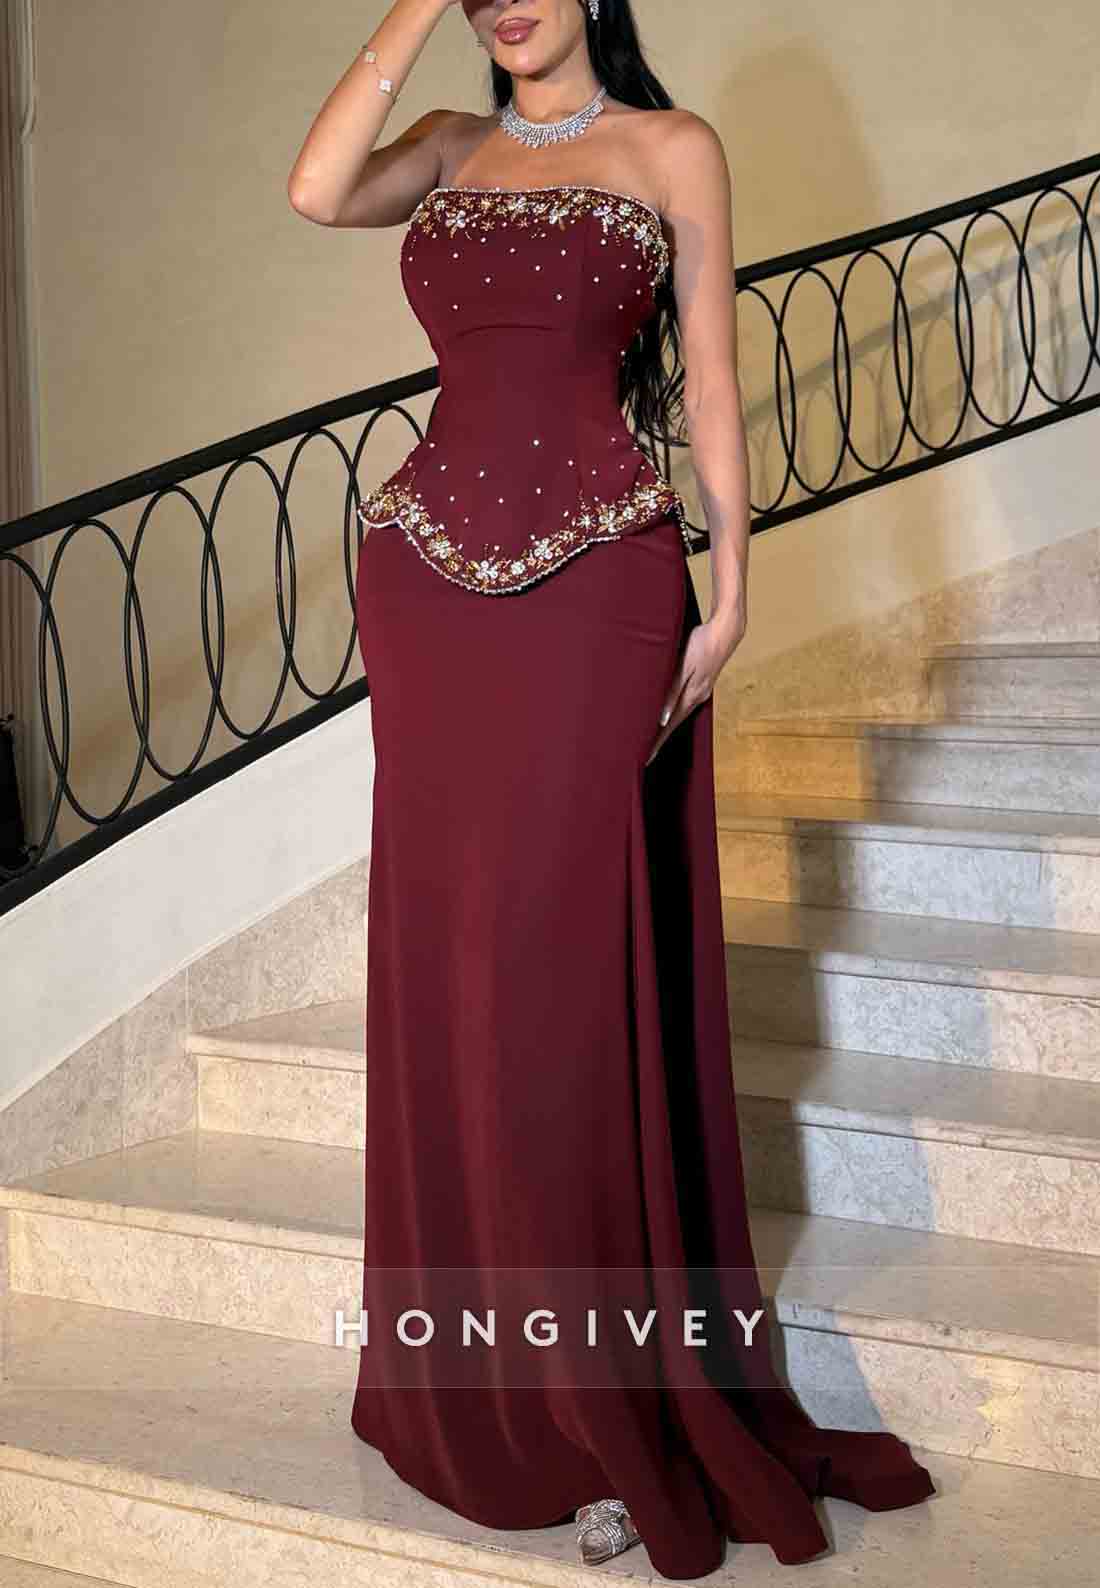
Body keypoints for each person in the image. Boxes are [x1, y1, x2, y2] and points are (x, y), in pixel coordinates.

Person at [288, 1, 936, 1577]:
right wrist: (415, 7)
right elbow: (314, 189)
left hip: (598, 586)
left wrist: (735, 587)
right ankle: (476, 1381)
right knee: (455, 973)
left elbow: (709, 378)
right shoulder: (447, 146)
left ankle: (606, 1407)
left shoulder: (670, 148)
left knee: (561, 982)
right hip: (428, 587)